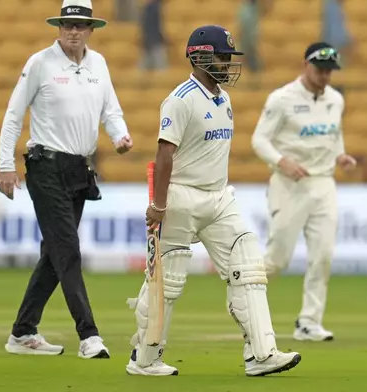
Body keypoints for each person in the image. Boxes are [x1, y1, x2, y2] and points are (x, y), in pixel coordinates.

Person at [125, 24, 302, 377]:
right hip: (180, 198)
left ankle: (262, 355)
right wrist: (159, 206)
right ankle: (144, 359)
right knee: (169, 281)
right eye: (222, 57)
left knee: (249, 265)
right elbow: (164, 155)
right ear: (201, 57)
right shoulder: (180, 99)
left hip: (220, 197)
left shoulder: (224, 98)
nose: (228, 64)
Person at [0, 0, 133, 359]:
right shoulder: (40, 63)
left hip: (78, 169)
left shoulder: (99, 64)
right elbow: (14, 114)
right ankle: (89, 335)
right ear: (59, 27)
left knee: (54, 253)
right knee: (68, 250)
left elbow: (111, 111)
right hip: (44, 166)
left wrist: (120, 135)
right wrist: (4, 164)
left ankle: (23, 332)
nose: (73, 31)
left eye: (80, 25)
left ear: (91, 29)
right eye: (67, 25)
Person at [251, 42, 357, 342]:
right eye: (320, 69)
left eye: (329, 71)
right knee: (277, 258)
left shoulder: (336, 99)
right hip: (289, 185)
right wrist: (283, 162)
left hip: (324, 183)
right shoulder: (282, 99)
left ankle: (309, 321)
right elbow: (259, 140)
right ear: (305, 65)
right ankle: (243, 295)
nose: (325, 75)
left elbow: (333, 135)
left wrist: (341, 155)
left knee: (323, 255)